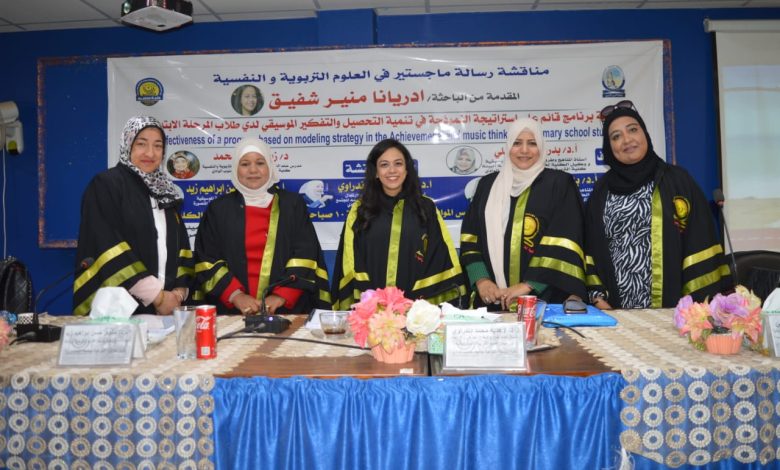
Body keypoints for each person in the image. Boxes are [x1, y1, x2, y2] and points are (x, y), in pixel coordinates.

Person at [585, 100, 732, 309]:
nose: (627, 140)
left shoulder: (678, 182)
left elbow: (701, 240)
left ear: (645, 134)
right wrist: (598, 298)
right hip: (616, 313)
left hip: (674, 311)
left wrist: (692, 308)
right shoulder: (601, 192)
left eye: (633, 130)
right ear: (609, 147)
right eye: (616, 136)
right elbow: (590, 248)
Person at [460, 117, 587, 310]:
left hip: (544, 302)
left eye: (532, 143)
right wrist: (481, 279)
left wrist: (529, 285)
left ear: (541, 147)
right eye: (517, 143)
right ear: (508, 146)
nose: (524, 150)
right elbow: (471, 238)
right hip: (492, 302)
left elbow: (565, 242)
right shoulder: (487, 186)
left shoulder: (559, 184)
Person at [194, 137, 331, 315]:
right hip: (231, 309)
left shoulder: (292, 205)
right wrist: (235, 295)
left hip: (284, 309)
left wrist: (281, 295)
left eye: (260, 163)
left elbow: (306, 253)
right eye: (245, 164)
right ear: (235, 168)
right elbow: (207, 258)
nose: (253, 170)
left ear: (270, 167)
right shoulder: (218, 209)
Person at [73, 116, 193, 316]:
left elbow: (182, 249)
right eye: (141, 144)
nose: (150, 153)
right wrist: (157, 297)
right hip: (119, 312)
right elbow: (107, 246)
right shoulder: (107, 185)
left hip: (168, 310)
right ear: (127, 146)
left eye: (158, 145)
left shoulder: (166, 192)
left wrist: (178, 294)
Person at [331, 138, 466, 309]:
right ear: (375, 172)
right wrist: (371, 301)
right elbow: (351, 260)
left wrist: (416, 304)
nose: (392, 170)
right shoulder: (359, 211)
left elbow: (438, 257)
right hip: (371, 309)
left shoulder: (426, 208)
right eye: (384, 165)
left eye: (398, 163)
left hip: (416, 308)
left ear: (407, 169)